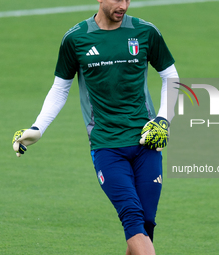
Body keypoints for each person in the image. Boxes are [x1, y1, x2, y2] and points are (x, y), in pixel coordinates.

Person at [12, 0, 179, 254]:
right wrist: (38, 128)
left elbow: (171, 76)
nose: (123, 5)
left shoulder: (145, 32)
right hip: (107, 147)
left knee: (145, 225)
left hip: (147, 143)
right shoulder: (76, 38)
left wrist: (163, 120)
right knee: (132, 217)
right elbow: (60, 88)